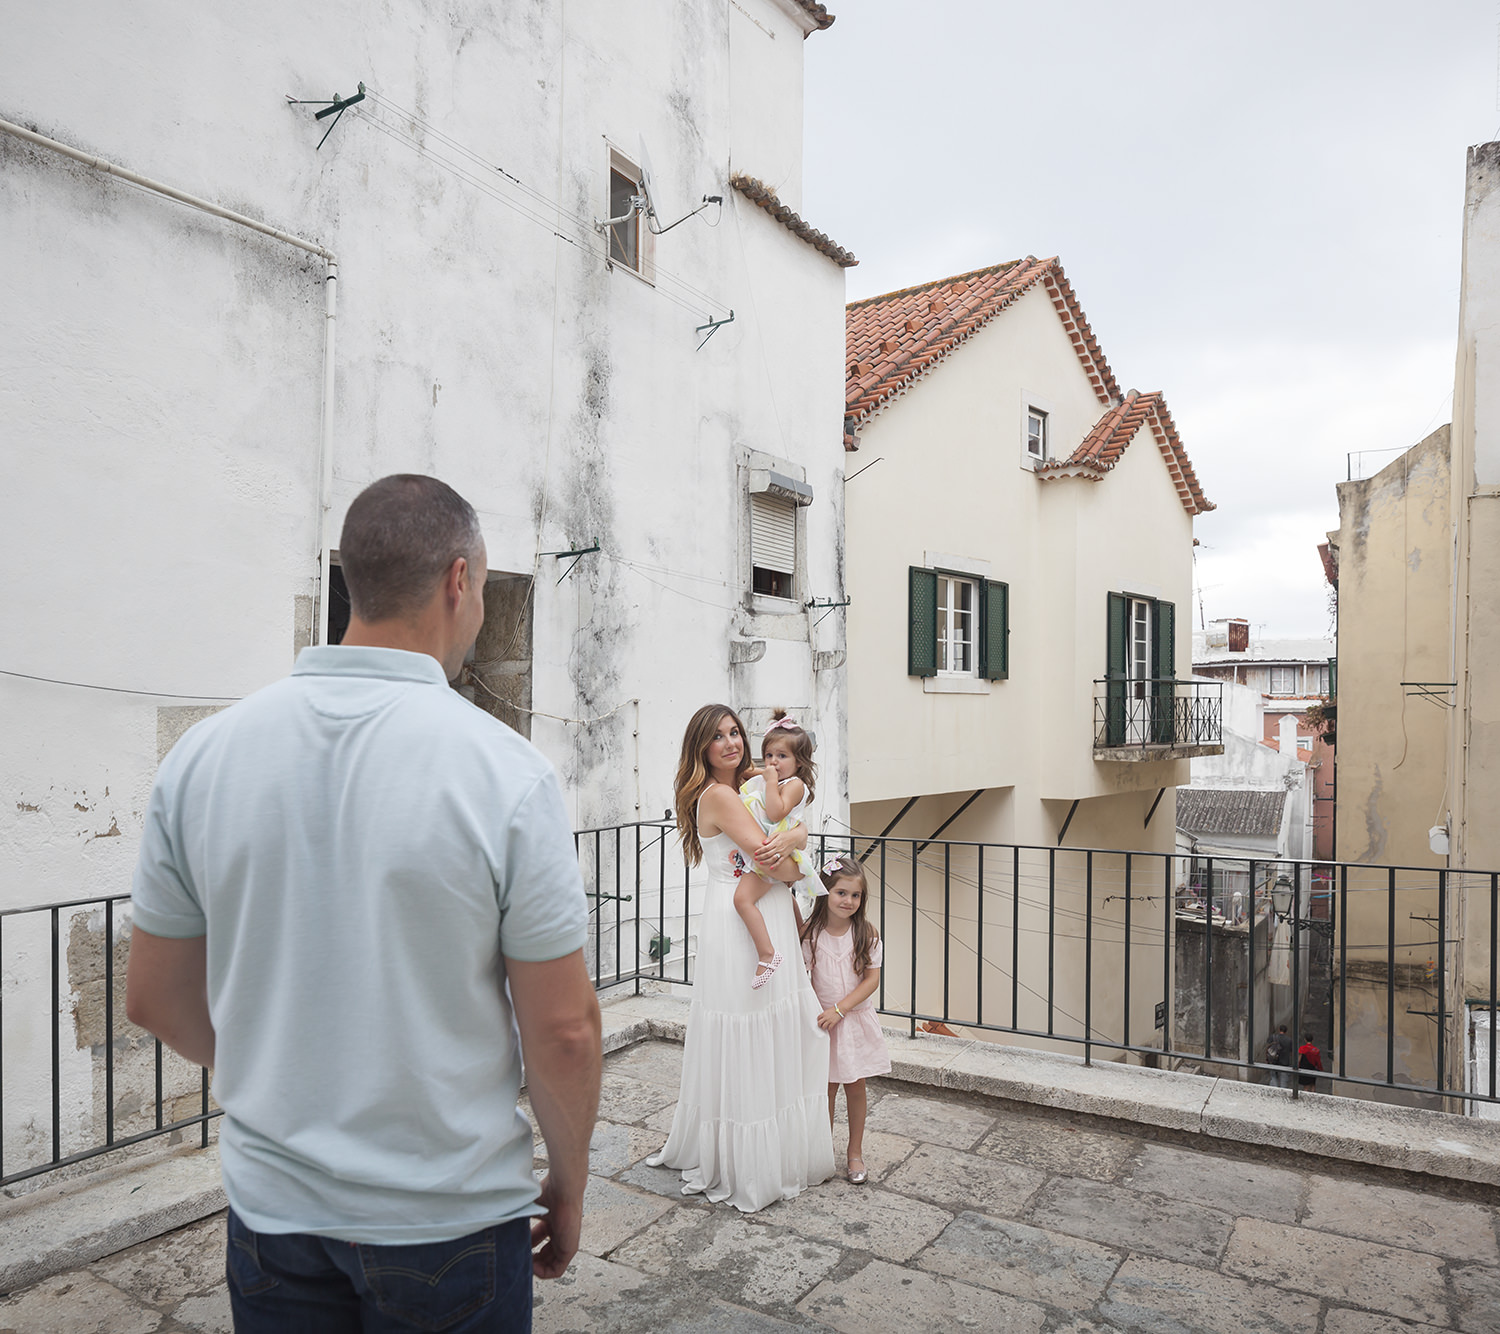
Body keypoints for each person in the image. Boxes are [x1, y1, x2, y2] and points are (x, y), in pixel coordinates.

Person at [126, 474, 602, 1332]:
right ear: (460, 581)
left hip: (273, 1214)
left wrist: (280, 1081)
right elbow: (564, 1031)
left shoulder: (203, 758)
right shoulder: (505, 773)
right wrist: (568, 1186)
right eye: (486, 590)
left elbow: (153, 997)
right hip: (449, 1219)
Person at [646, 704, 835, 1211]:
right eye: (718, 736)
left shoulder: (748, 782)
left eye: (735, 732)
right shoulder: (721, 796)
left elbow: (781, 837)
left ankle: (774, 1150)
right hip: (741, 922)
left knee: (772, 1026)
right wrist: (798, 837)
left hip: (759, 912)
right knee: (750, 1026)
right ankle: (749, 1162)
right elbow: (779, 864)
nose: (731, 742)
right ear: (701, 748)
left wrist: (793, 837)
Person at [801, 855, 890, 1184]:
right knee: (825, 1089)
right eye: (841, 893)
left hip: (851, 1021)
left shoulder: (865, 933)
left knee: (855, 1086)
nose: (848, 901)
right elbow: (806, 979)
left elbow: (871, 980)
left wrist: (840, 1009)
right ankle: (823, 1152)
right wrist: (819, 1014)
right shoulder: (811, 935)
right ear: (826, 893)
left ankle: (855, 1153)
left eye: (855, 895)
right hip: (822, 1022)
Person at [734, 710, 825, 986]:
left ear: (799, 763)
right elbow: (748, 771)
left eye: (782, 756)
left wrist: (770, 781)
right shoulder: (775, 778)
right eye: (770, 755)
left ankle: (767, 953)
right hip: (770, 849)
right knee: (785, 896)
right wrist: (754, 771)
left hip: (774, 851)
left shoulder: (795, 785)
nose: (773, 762)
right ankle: (802, 930)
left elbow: (775, 813)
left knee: (742, 900)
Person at [1266, 1023, 1294, 1088]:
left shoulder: (1272, 1037)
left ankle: (1274, 1090)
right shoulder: (1289, 1040)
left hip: (1273, 1061)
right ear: (1286, 1031)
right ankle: (1282, 1093)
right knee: (1283, 1080)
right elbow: (1291, 1051)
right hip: (1284, 1062)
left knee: (1273, 1077)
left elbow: (1268, 1047)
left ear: (1279, 1030)